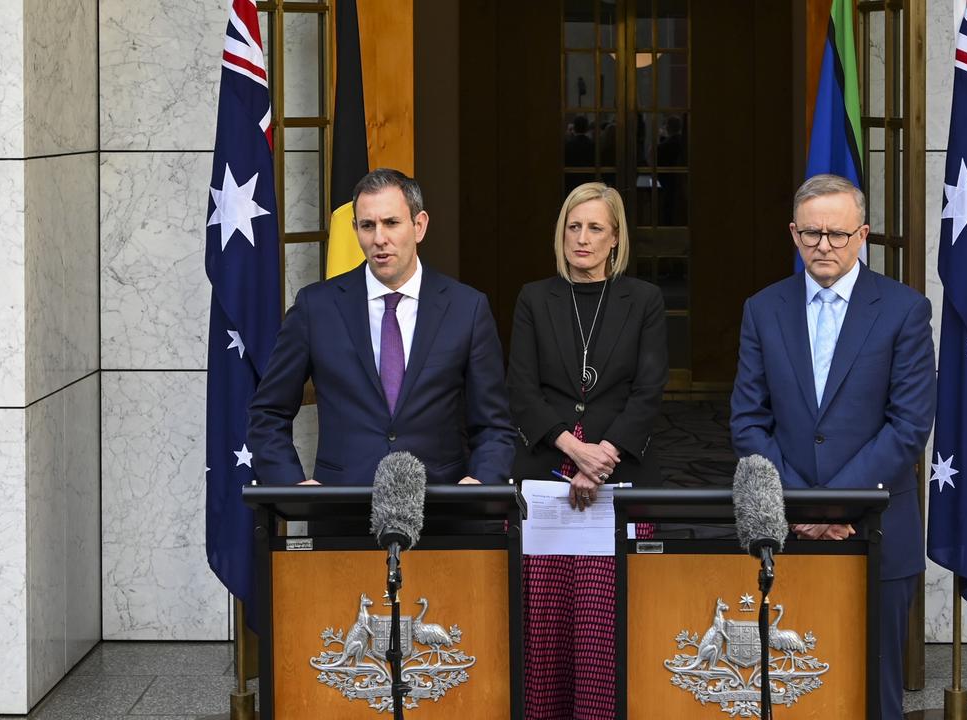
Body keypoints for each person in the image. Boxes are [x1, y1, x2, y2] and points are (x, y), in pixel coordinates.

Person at [729, 174, 935, 720]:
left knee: (874, 689)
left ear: (862, 234)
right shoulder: (762, 308)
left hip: (880, 529)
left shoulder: (904, 310)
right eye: (812, 233)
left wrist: (840, 505)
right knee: (791, 689)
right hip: (786, 530)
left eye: (838, 234)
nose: (824, 245)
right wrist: (803, 507)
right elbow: (748, 422)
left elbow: (909, 425)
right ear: (793, 235)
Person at [507, 182, 667, 719]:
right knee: (544, 626)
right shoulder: (534, 297)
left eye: (595, 228)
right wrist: (574, 450)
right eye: (573, 227)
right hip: (545, 473)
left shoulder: (643, 300)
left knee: (607, 625)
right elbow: (521, 390)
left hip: (619, 476)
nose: (582, 238)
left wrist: (603, 457)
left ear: (615, 237)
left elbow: (647, 391)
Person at [248, 168, 516, 486]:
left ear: (419, 226)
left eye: (391, 223)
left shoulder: (466, 309)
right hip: (342, 513)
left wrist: (480, 484)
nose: (379, 239)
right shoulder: (316, 308)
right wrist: (292, 486)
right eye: (367, 225)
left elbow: (494, 425)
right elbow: (268, 413)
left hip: (442, 514)